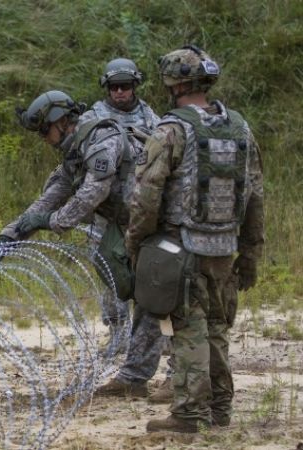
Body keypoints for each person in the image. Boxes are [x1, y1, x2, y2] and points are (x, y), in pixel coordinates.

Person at [125, 45, 264, 433]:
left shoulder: (171, 130)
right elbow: (255, 195)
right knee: (217, 329)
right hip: (225, 246)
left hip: (181, 248)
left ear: (174, 84)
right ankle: (220, 410)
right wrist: (250, 253)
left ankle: (188, 415)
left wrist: (137, 244)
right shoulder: (240, 127)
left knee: (188, 329)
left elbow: (147, 195)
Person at [0, 90, 146, 359]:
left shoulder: (101, 140)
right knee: (122, 280)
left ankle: (173, 369)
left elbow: (92, 193)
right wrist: (9, 237)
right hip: (125, 224)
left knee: (157, 293)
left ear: (61, 121)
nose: (43, 138)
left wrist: (52, 222)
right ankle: (138, 363)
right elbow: (49, 199)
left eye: (44, 130)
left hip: (151, 222)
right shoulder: (75, 152)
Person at [91, 58, 174, 404]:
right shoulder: (95, 117)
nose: (121, 92)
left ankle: (146, 357)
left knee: (147, 286)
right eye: (115, 87)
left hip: (141, 213)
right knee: (112, 280)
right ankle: (117, 333)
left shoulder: (151, 117)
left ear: (135, 85)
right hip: (107, 217)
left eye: (126, 86)